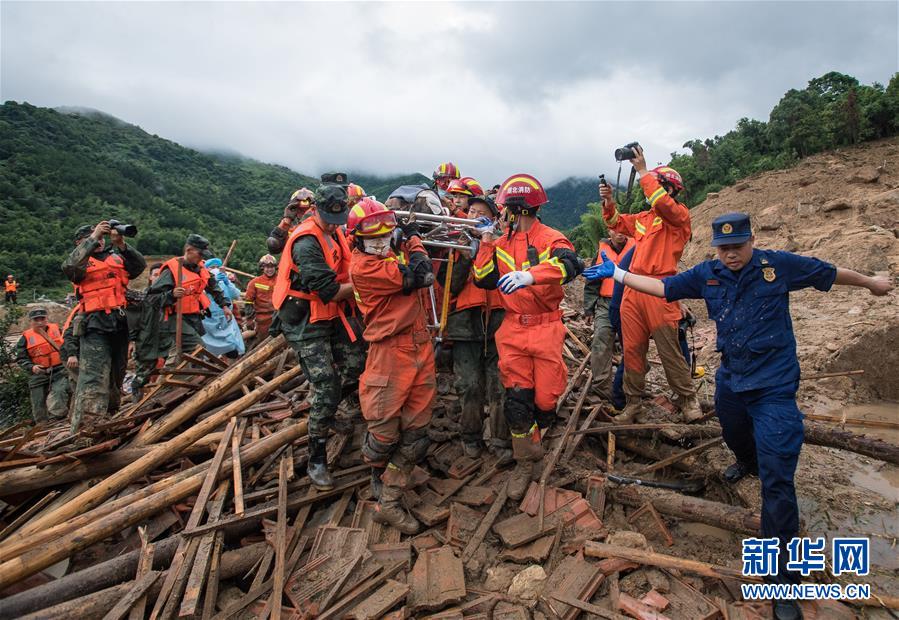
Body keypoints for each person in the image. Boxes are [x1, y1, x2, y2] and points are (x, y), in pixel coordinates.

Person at [586, 212, 892, 620]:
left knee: (777, 480)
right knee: (732, 430)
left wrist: (871, 283)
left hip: (774, 387)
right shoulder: (708, 274)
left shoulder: (776, 266)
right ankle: (746, 460)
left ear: (752, 240)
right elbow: (664, 287)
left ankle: (783, 583)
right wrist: (619, 275)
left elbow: (828, 272)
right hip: (732, 379)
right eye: (724, 248)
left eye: (737, 246)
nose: (730, 254)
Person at [472, 173, 584, 500]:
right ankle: (526, 459)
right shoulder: (501, 242)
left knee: (546, 401)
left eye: (504, 208)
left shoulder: (551, 238)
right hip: (513, 329)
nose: (501, 214)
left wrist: (531, 275)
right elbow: (483, 278)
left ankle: (538, 431)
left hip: (546, 326)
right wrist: (486, 241)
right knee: (517, 401)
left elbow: (571, 265)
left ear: (518, 209)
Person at [272, 173, 367, 491]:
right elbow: (328, 290)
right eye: (329, 218)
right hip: (304, 318)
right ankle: (316, 456)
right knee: (326, 385)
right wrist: (368, 283)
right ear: (315, 210)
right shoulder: (306, 242)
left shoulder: (335, 230)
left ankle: (332, 404)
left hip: (329, 311)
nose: (333, 224)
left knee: (358, 363)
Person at [348, 198, 436, 534]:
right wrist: (414, 239)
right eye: (374, 238)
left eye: (387, 235)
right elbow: (421, 274)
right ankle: (377, 475)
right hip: (389, 352)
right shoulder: (364, 268)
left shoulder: (387, 256)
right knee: (383, 434)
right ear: (358, 240)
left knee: (416, 434)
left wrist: (406, 238)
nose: (382, 242)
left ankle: (389, 501)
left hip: (419, 345)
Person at [600, 145, 702, 423]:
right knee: (632, 350)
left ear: (668, 189)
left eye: (657, 185)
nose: (650, 191)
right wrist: (608, 201)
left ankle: (688, 399)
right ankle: (633, 403)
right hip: (633, 289)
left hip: (660, 289)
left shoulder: (679, 217)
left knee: (669, 350)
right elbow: (616, 223)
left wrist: (643, 171)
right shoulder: (644, 219)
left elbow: (662, 203)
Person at [441, 194, 509, 460]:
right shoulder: (454, 244)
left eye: (482, 214)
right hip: (464, 323)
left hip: (498, 320)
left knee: (499, 383)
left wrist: (487, 243)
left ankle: (500, 439)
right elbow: (450, 286)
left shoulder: (503, 243)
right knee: (469, 385)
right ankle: (471, 436)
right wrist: (467, 255)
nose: (475, 217)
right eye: (471, 212)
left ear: (493, 219)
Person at [63, 221, 146, 433]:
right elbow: (69, 267)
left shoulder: (116, 257)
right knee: (93, 377)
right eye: (95, 237)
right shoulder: (81, 261)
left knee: (117, 375)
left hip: (119, 322)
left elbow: (139, 266)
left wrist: (121, 244)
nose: (100, 241)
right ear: (79, 242)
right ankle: (85, 430)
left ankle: (109, 419)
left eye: (101, 238)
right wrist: (93, 237)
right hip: (94, 323)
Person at [131, 235, 233, 401]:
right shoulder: (172, 270)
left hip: (193, 319)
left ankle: (174, 386)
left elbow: (213, 287)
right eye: (199, 254)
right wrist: (171, 295)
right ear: (189, 250)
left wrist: (224, 305)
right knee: (197, 348)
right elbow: (151, 298)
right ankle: (171, 388)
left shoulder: (201, 269)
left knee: (183, 355)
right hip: (173, 319)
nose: (201, 258)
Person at [583, 228, 634, 400]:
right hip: (606, 304)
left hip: (631, 302)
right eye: (614, 229)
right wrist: (589, 308)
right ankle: (602, 387)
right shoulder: (602, 251)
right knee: (600, 341)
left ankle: (630, 386)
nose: (619, 232)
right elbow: (592, 281)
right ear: (608, 231)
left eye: (622, 228)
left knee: (634, 345)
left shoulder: (637, 247)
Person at [15, 307, 70, 422]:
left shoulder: (58, 330)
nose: (40, 322)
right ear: (31, 321)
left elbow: (69, 345)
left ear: (46, 319)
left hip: (59, 370)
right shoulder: (25, 337)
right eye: (36, 320)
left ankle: (58, 419)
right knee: (38, 401)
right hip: (38, 373)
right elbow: (21, 358)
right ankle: (42, 425)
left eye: (42, 319)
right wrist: (32, 367)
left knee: (59, 391)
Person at [200, 258, 245, 357]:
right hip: (210, 319)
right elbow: (200, 295)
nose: (215, 269)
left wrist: (227, 282)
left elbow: (236, 294)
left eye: (217, 267)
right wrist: (212, 283)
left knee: (232, 342)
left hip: (226, 316)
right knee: (211, 343)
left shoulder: (224, 280)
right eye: (212, 267)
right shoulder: (202, 281)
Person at [267, 187, 316, 254]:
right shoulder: (292, 232)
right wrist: (287, 220)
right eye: (299, 210)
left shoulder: (325, 228)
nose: (304, 214)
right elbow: (273, 246)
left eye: (307, 210)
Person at [244, 254, 278, 346]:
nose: (270, 269)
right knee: (263, 345)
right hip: (262, 321)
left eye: (272, 267)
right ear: (262, 268)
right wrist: (249, 319)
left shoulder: (281, 280)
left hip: (280, 318)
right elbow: (248, 302)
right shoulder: (254, 282)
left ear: (275, 267)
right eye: (267, 267)